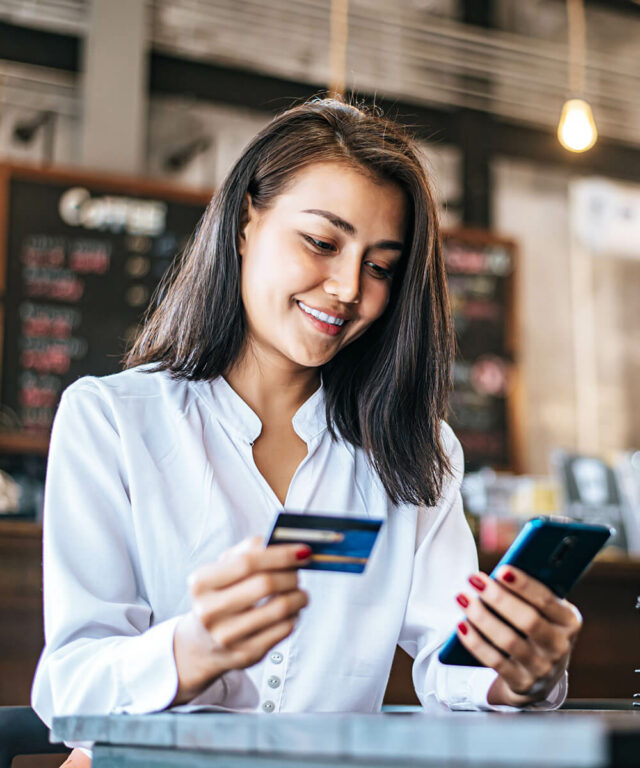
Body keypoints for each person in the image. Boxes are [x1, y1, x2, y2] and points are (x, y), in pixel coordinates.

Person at [31, 98, 582, 767]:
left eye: (380, 266)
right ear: (243, 223)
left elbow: (449, 660)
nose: (349, 288)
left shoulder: (414, 450)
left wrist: (517, 672)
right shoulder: (113, 421)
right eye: (322, 243)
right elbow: (67, 688)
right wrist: (191, 649)